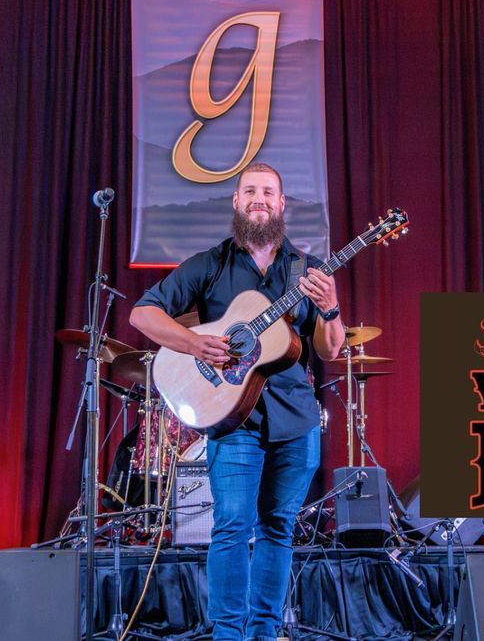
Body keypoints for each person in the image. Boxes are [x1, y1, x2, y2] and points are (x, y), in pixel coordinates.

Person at [130, 162, 345, 640]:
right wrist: (192, 344)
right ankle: (229, 635)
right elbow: (142, 312)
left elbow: (330, 348)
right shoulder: (210, 264)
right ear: (236, 201)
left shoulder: (307, 271)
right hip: (232, 421)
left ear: (282, 203)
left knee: (278, 528)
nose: (259, 199)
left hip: (296, 420)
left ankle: (265, 633)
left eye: (269, 191)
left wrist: (330, 307)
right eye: (250, 190)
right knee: (231, 527)